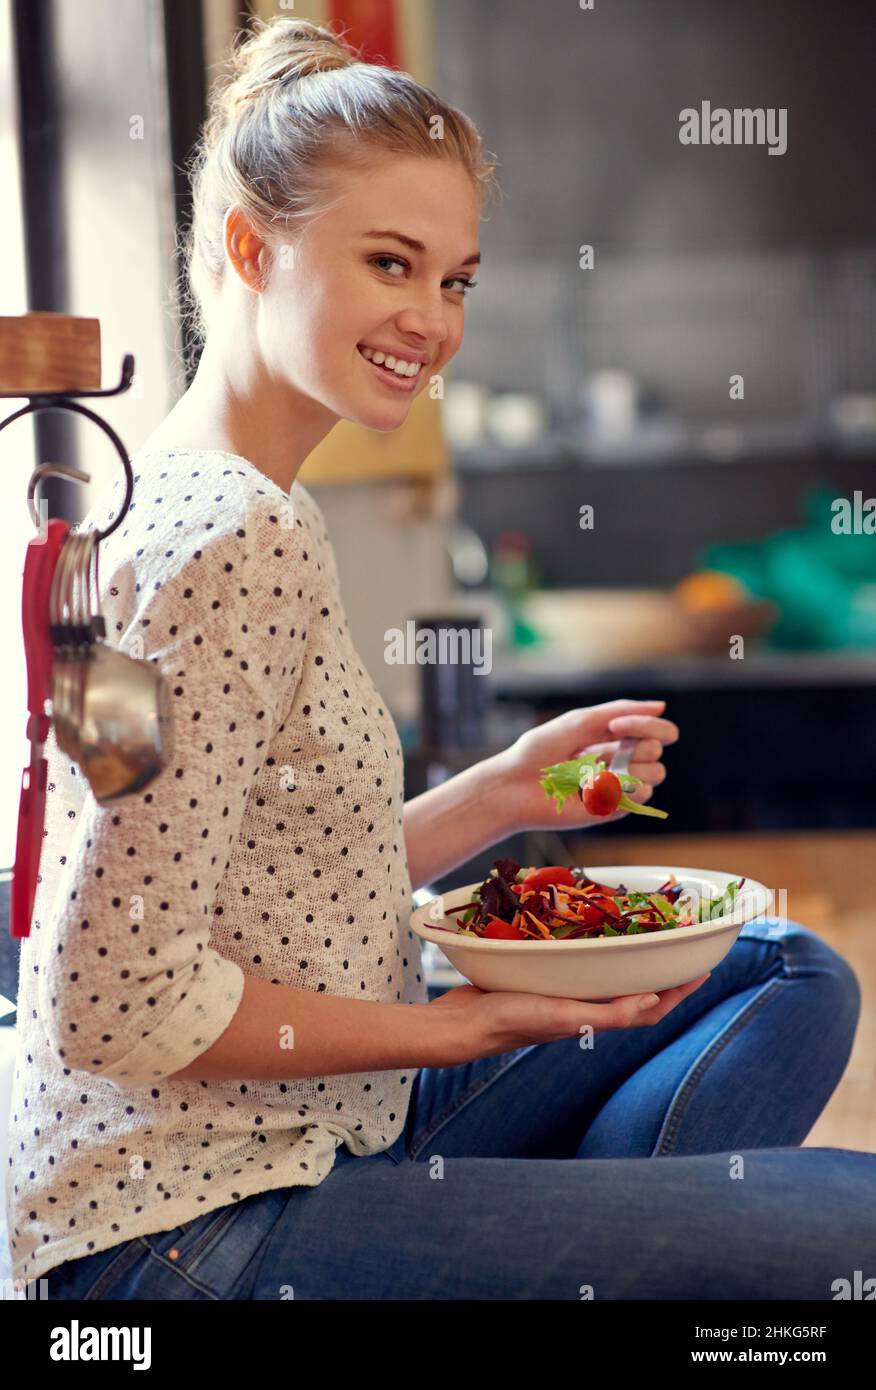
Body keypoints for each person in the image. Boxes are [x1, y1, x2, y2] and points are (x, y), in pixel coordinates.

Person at [11, 17, 872, 1301]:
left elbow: (250, 872)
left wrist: (505, 793)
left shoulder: (190, 493)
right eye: (391, 263)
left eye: (456, 278)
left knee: (777, 963)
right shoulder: (227, 536)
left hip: (324, 1124)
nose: (431, 318)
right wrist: (458, 1024)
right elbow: (110, 999)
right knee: (850, 1223)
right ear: (252, 245)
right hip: (175, 1232)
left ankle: (558, 1251)